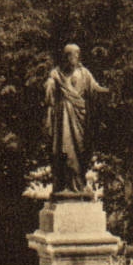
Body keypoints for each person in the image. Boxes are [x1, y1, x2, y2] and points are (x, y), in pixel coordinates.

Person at [45, 43, 107, 197]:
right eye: (71, 54)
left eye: (76, 54)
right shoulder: (57, 73)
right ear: (66, 56)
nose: (74, 57)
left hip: (81, 118)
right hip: (64, 118)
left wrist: (109, 91)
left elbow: (94, 88)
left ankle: (79, 184)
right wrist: (50, 86)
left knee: (81, 150)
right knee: (65, 149)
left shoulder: (84, 73)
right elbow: (50, 86)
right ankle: (64, 185)